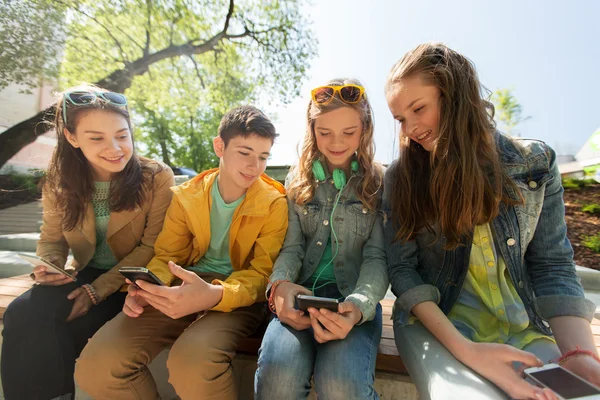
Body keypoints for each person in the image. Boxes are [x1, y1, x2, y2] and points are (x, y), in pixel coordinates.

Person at [383, 42, 600, 400]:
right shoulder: (401, 177)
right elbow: (403, 271)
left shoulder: (535, 163)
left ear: (454, 95)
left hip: (525, 328)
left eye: (418, 108)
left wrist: (579, 355)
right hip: (441, 326)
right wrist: (467, 351)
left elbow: (553, 265)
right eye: (401, 119)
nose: (410, 130)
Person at [74, 105, 288, 400]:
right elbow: (166, 257)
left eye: (263, 157)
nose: (254, 166)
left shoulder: (275, 203)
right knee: (97, 366)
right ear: (219, 146)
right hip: (181, 285)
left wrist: (215, 294)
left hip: (238, 295)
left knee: (192, 360)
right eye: (245, 152)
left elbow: (263, 274)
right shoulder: (187, 196)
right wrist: (149, 286)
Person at [0, 84, 174, 400]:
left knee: (71, 329)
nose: (115, 148)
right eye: (96, 138)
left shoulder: (156, 176)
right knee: (22, 314)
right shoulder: (59, 180)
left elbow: (151, 247)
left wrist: (97, 291)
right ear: (71, 137)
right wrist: (49, 266)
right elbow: (51, 239)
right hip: (83, 273)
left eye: (122, 136)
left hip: (130, 281)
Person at [254, 79, 388, 400]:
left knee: (341, 385)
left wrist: (356, 308)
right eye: (324, 132)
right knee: (278, 380)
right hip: (300, 297)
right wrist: (279, 286)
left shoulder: (379, 183)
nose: (336, 143)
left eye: (348, 132)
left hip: (352, 302)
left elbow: (377, 258)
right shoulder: (297, 180)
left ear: (365, 129)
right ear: (312, 130)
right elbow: (292, 246)